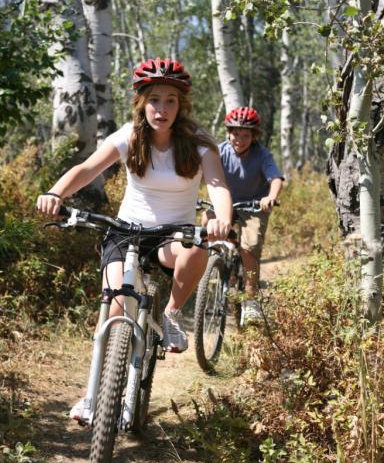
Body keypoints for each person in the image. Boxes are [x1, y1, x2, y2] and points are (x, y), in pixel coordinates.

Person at [36, 57, 232, 420]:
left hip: (172, 235)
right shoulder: (129, 136)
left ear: (181, 105)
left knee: (197, 249)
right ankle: (92, 396)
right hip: (126, 230)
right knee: (113, 307)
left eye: (170, 100)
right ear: (142, 102)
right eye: (155, 99)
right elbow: (87, 168)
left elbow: (218, 187)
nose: (162, 108)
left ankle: (172, 315)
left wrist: (221, 220)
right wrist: (56, 193)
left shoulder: (199, 143)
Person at [206, 106, 283, 325]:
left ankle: (250, 301)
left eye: (246, 135)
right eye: (235, 133)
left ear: (254, 136)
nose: (240, 139)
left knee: (249, 248)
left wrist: (270, 196)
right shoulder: (219, 151)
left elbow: (275, 178)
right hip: (224, 205)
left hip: (253, 207)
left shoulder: (262, 155)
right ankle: (213, 270)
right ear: (228, 132)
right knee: (206, 224)